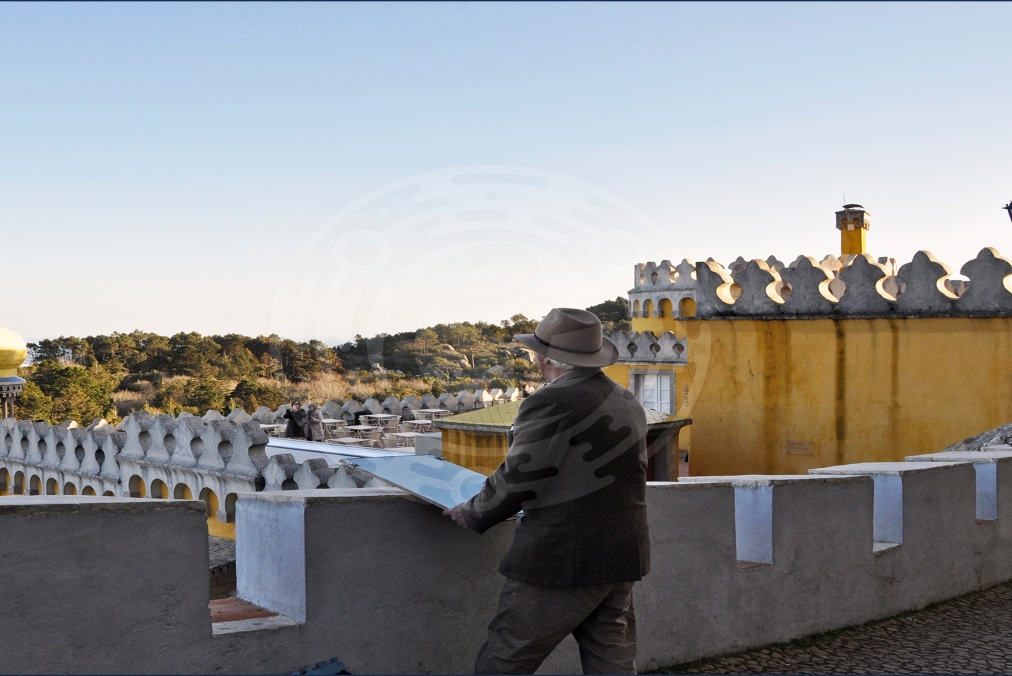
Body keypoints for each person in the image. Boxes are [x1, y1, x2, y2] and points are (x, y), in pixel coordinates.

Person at [443, 308, 650, 675]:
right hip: (621, 551)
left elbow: (520, 475)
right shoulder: (624, 397)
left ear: (542, 357)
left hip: (563, 556)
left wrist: (473, 511)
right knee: (611, 656)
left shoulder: (551, 400)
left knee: (507, 657)